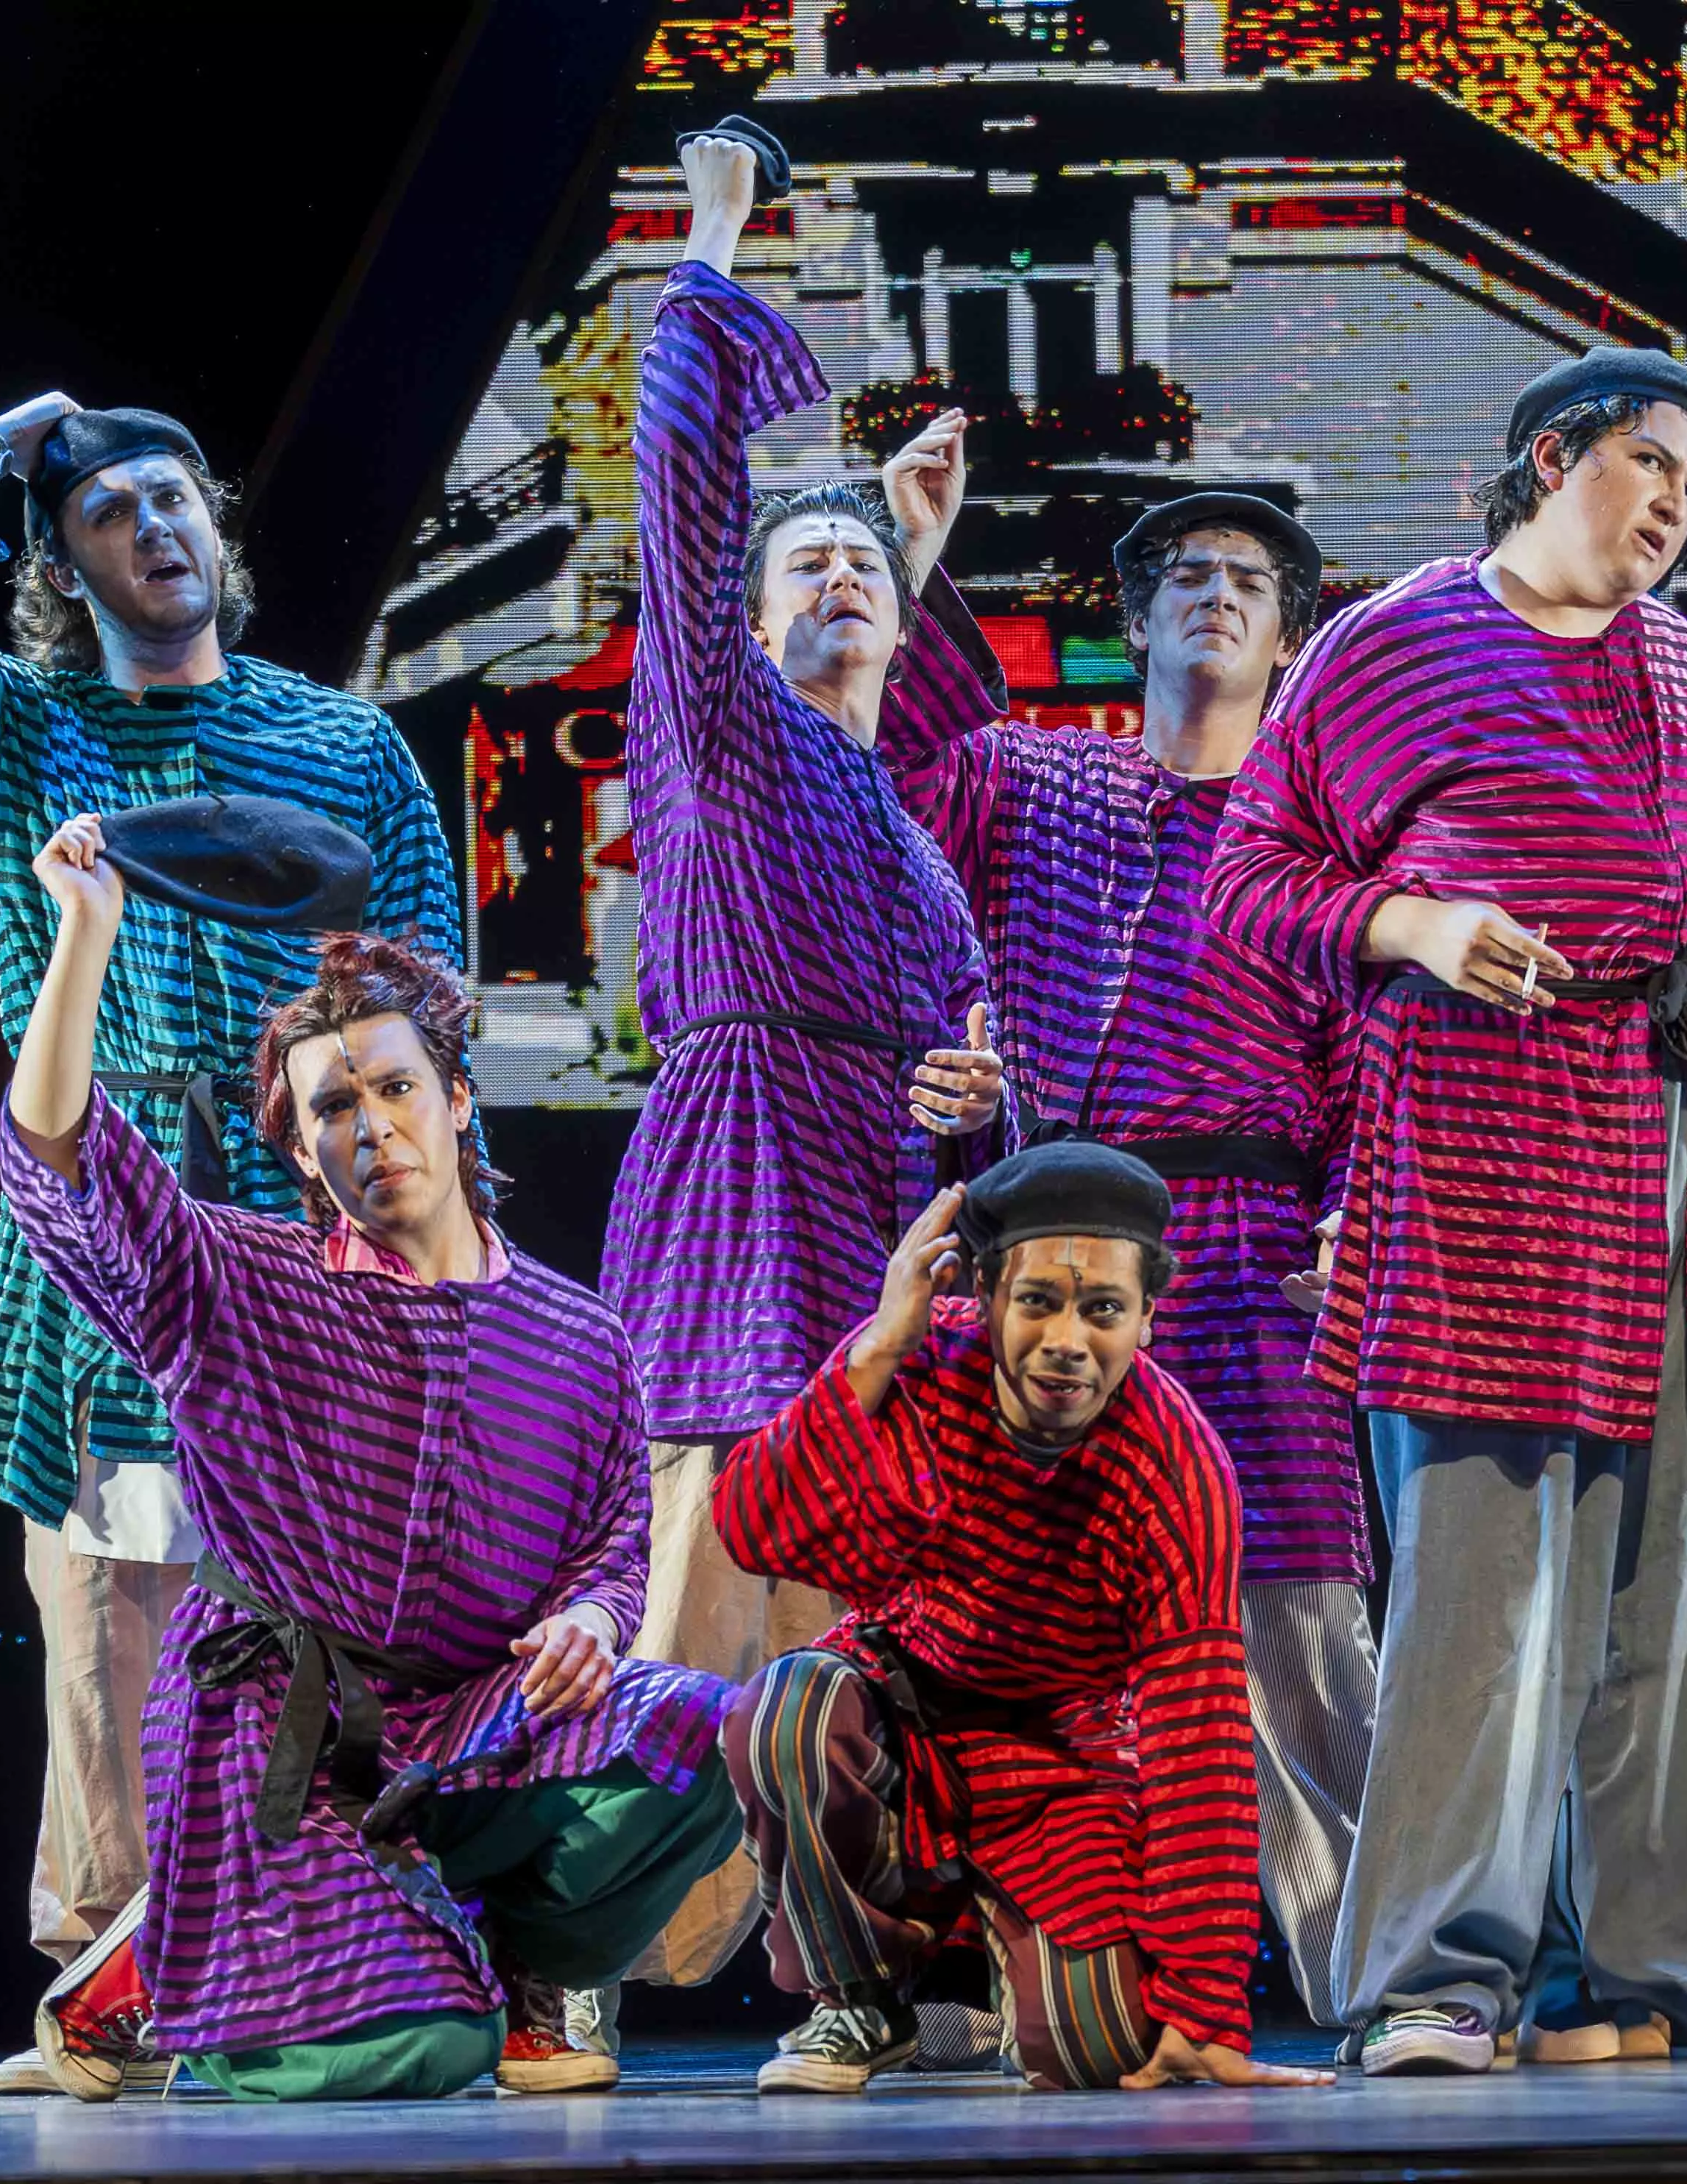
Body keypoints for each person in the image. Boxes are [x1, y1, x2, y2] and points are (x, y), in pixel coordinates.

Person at [1207, 348, 1687, 2071]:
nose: (1675, 503)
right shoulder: (1391, 644)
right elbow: (1252, 881)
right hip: (1493, 1159)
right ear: (1549, 457)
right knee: (1488, 1592)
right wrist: (1414, 928)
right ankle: (1439, 1983)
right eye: (1651, 462)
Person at [0, 401, 459, 2093]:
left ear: (218, 534)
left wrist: (425, 1240)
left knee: (335, 1626)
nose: (155, 525)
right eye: (109, 509)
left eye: (178, 495)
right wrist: (1, 442)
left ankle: (321, 1960)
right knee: (120, 1613)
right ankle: (120, 1981)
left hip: (306, 1229)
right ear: (64, 556)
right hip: (109, 1238)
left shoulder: (343, 745)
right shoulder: (21, 731)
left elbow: (427, 1022)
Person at [0, 816, 741, 2099]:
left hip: (471, 1726)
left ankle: (507, 1965)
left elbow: (614, 1549)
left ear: (457, 1100)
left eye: (396, 1087)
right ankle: (162, 1984)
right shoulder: (234, 1282)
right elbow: (60, 1159)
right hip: (271, 1740)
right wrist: (86, 932)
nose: (374, 1123)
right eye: (335, 1104)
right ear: (301, 1150)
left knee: (720, 1738)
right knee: (423, 2050)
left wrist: (589, 1616)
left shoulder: (579, 1333)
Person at [867, 469, 1376, 2023]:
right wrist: (912, 553)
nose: (1215, 592)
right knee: (1037, 1611)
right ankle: (1038, 1960)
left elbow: (1375, 1043)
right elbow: (886, 764)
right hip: (1062, 1250)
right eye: (1183, 574)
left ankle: (1375, 1961)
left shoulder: (1324, 843)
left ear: (1290, 636)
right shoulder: (1039, 783)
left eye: (1248, 579)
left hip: (1252, 1246)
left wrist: (1363, 1200)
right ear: (1134, 617)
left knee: (1295, 1610)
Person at [603, 123, 1009, 1993]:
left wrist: (975, 1099)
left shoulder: (913, 835)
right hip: (740, 1166)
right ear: (749, 623)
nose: (840, 577)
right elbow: (687, 499)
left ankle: (839, 1964)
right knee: (699, 1566)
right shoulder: (719, 735)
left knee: (859, 1605)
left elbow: (959, 1025)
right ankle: (586, 1951)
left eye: (866, 563)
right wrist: (709, 237)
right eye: (810, 561)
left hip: (874, 1214)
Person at [708, 1144, 1338, 2096]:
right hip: (900, 1720)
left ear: (1147, 1322)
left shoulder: (1179, 1468)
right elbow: (753, 1524)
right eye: (1038, 1300)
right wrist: (879, 1343)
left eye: (1104, 1310)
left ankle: (998, 1975)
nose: (1068, 1340)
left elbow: (1197, 1736)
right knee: (786, 1709)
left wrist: (1206, 2009)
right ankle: (859, 2002)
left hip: (1056, 1771)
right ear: (988, 1296)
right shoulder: (911, 1361)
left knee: (1101, 2053)